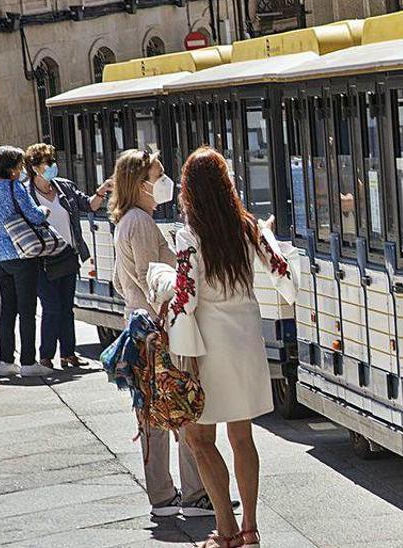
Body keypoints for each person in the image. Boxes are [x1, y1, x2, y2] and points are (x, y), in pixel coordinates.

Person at [148, 147, 296, 548]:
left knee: (199, 439)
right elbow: (283, 272)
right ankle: (250, 528)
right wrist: (265, 232)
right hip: (246, 343)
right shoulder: (246, 226)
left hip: (207, 348)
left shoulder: (190, 236)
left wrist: (159, 285)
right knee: (242, 437)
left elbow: (185, 298)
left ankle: (226, 529)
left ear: (189, 190)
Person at [109, 148, 213, 518]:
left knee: (154, 410)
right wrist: (162, 320)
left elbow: (123, 282)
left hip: (144, 325)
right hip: (158, 329)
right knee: (179, 405)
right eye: (157, 174)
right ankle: (192, 492)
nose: (163, 182)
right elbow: (146, 274)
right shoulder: (138, 221)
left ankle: (167, 494)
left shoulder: (131, 220)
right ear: (140, 183)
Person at [24, 143, 112, 369]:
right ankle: (45, 356)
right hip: (41, 259)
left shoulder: (65, 188)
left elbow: (89, 206)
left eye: (53, 162)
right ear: (34, 167)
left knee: (66, 307)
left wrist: (101, 191)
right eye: (47, 163)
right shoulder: (26, 194)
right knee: (51, 306)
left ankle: (68, 354)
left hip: (68, 255)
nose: (52, 167)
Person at [0, 146, 52, 378]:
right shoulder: (15, 187)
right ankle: (28, 361)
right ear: (11, 169)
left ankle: (5, 360)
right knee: (27, 309)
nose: (21, 170)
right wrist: (44, 210)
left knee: (7, 309)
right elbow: (35, 215)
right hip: (21, 252)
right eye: (19, 166)